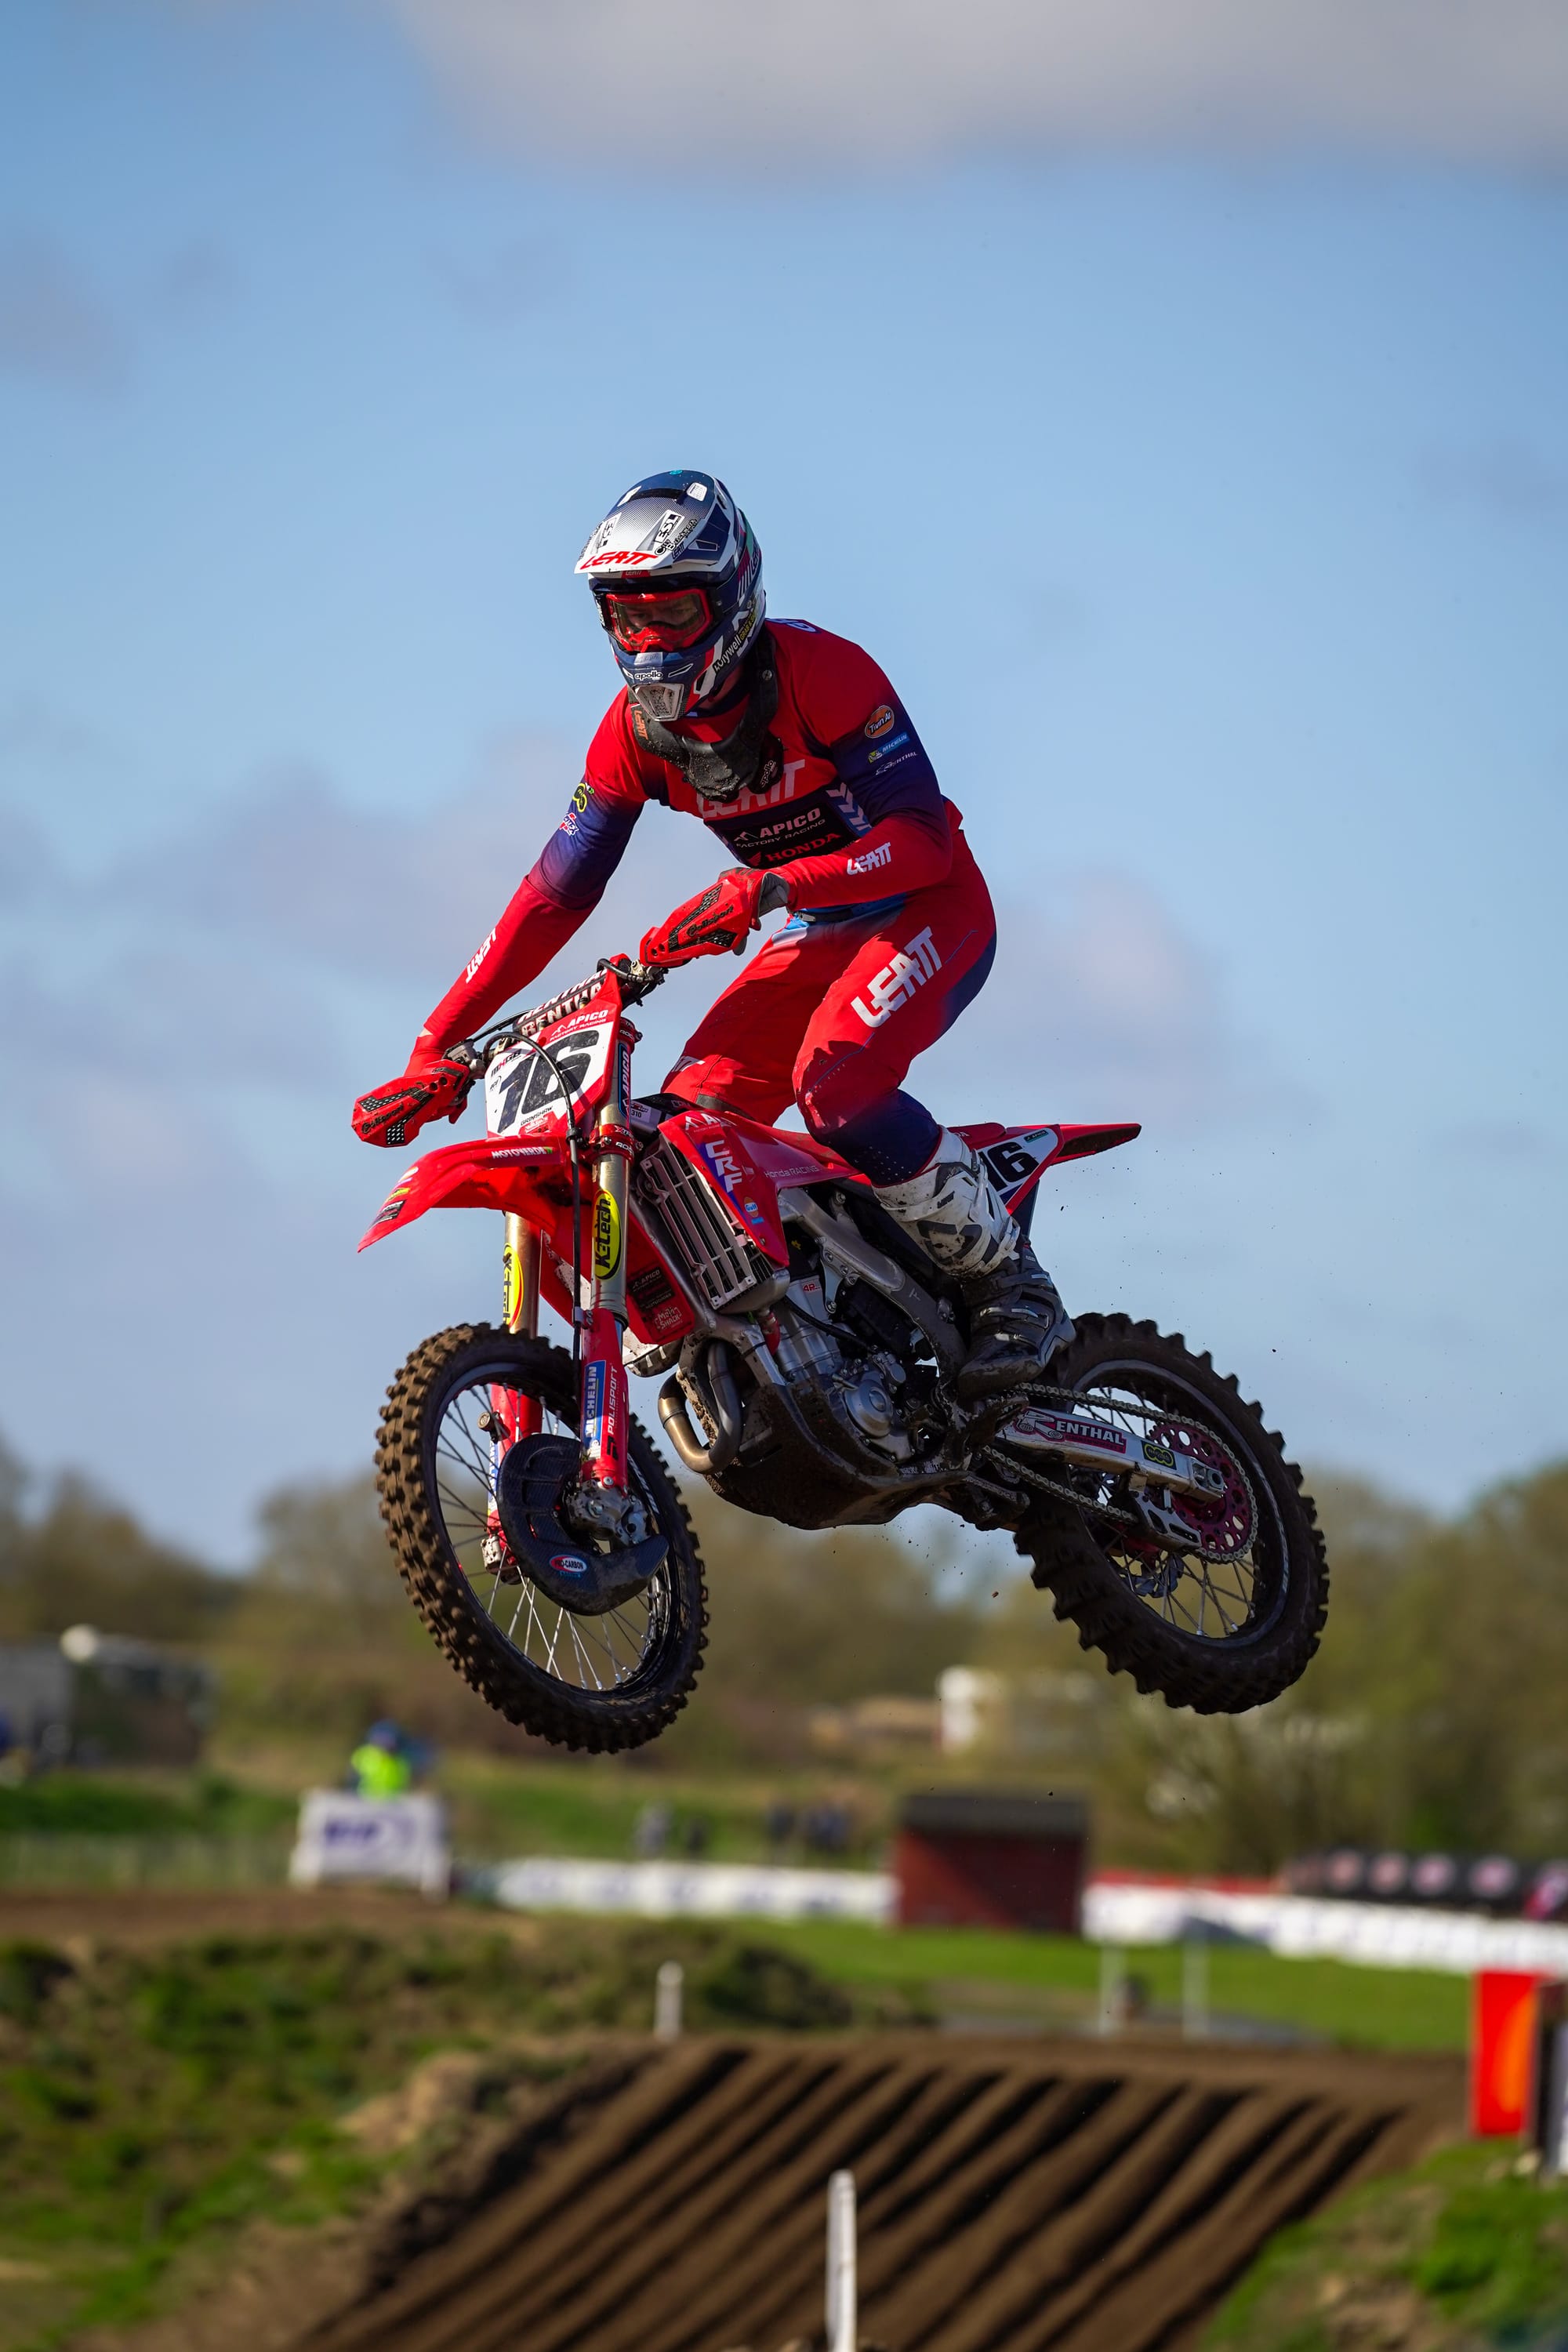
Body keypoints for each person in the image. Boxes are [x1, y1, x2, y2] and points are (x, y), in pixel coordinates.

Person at [353, 470, 1069, 1399]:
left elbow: (923, 841)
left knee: (834, 1086)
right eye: (628, 618)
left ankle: (1012, 1285)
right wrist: (434, 1046)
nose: (650, 643)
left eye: (674, 614)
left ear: (732, 598)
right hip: (816, 925)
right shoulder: (631, 737)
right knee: (686, 1133)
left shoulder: (821, 673)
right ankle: (813, 1334)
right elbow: (552, 896)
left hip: (928, 905)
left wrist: (768, 885)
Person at [349, 1719, 413, 1800]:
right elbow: (352, 1779)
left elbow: (404, 1784)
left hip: (391, 1802)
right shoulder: (363, 1755)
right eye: (381, 1739)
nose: (385, 1743)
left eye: (388, 1740)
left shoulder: (400, 1761)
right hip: (363, 1800)